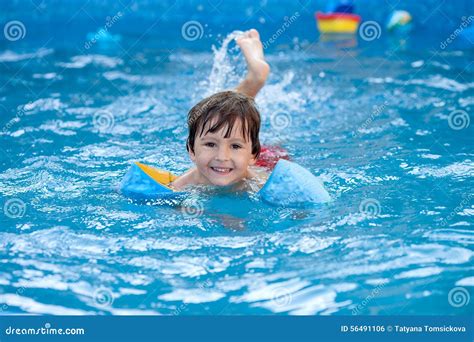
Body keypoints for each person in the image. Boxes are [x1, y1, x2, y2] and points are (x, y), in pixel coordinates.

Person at [170, 29, 270, 191]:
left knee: (235, 116)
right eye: (210, 144)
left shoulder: (260, 183)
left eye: (235, 146)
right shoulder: (183, 185)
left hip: (265, 157)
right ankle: (256, 78)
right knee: (229, 116)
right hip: (244, 152)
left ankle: (256, 78)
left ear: (253, 155)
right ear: (191, 150)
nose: (222, 157)